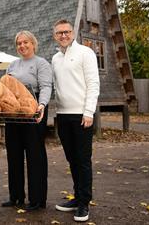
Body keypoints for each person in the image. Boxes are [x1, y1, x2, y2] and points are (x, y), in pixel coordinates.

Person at [51, 19, 100, 222]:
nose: (63, 35)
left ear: (73, 32)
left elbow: (93, 83)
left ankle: (84, 203)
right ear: (55, 35)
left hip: (82, 115)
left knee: (83, 160)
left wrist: (89, 112)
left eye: (67, 31)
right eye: (59, 33)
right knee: (72, 159)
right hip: (62, 115)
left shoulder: (85, 53)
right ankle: (76, 197)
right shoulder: (55, 58)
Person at [2, 31, 52, 211]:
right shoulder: (13, 65)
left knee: (35, 155)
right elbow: (6, 89)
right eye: (19, 43)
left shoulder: (41, 63)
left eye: (25, 42)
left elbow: (46, 86)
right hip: (14, 111)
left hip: (34, 111)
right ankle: (16, 197)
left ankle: (37, 200)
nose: (22, 46)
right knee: (13, 154)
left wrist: (42, 105)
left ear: (33, 44)